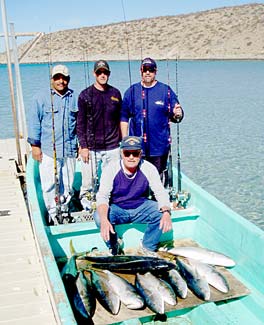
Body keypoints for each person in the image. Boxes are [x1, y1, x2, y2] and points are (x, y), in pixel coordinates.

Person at [94, 135, 172, 256]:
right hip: (117, 208)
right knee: (99, 217)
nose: (131, 157)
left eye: (135, 153)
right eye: (127, 153)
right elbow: (102, 196)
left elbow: (160, 191)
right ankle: (114, 244)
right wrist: (104, 220)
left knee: (160, 213)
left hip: (141, 206)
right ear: (121, 153)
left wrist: (166, 212)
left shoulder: (149, 168)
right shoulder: (111, 169)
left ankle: (148, 246)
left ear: (140, 154)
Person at [27, 64, 78, 224]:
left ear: (68, 79)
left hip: (69, 149)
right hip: (49, 150)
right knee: (49, 184)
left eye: (64, 78)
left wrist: (82, 144)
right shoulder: (40, 98)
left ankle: (65, 209)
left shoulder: (75, 97)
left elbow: (80, 123)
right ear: (52, 79)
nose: (61, 81)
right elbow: (34, 123)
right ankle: (52, 212)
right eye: (57, 78)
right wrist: (35, 146)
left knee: (68, 184)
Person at [121, 57, 184, 185]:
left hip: (159, 147)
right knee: (138, 181)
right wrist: (125, 142)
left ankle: (158, 201)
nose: (147, 72)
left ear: (155, 71)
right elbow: (123, 117)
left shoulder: (165, 91)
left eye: (151, 70)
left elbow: (177, 115)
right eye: (145, 69)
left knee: (157, 181)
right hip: (137, 147)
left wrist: (178, 114)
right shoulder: (131, 92)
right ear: (141, 71)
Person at [77, 60, 122, 210]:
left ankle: (108, 203)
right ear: (94, 74)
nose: (102, 75)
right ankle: (87, 205)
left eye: (105, 72)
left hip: (113, 146)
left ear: (109, 74)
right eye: (99, 72)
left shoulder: (115, 93)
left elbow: (121, 119)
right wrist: (83, 146)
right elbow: (81, 123)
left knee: (111, 179)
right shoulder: (84, 95)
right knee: (88, 181)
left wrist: (123, 143)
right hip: (91, 147)